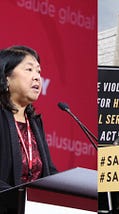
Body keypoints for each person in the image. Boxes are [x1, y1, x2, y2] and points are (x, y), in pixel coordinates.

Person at [0, 46, 57, 212]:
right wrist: (20, 199)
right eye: (29, 69)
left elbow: (48, 172)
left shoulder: (34, 123)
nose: (37, 77)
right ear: (6, 77)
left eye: (39, 72)